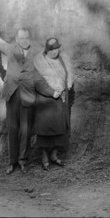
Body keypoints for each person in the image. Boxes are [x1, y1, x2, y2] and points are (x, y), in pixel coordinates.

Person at [0, 14, 36, 175]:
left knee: (26, 130)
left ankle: (23, 160)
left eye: (26, 37)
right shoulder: (10, 48)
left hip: (28, 95)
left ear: (29, 39)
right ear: (17, 39)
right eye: (21, 37)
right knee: (12, 128)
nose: (24, 40)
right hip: (12, 94)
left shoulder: (36, 53)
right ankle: (12, 162)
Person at [32, 37, 74, 171]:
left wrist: (65, 87)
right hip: (46, 101)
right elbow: (37, 81)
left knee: (60, 130)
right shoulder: (39, 61)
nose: (54, 52)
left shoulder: (63, 59)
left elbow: (68, 75)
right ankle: (44, 157)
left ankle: (54, 155)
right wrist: (51, 92)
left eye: (56, 49)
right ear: (46, 50)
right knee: (45, 131)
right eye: (51, 50)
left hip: (60, 100)